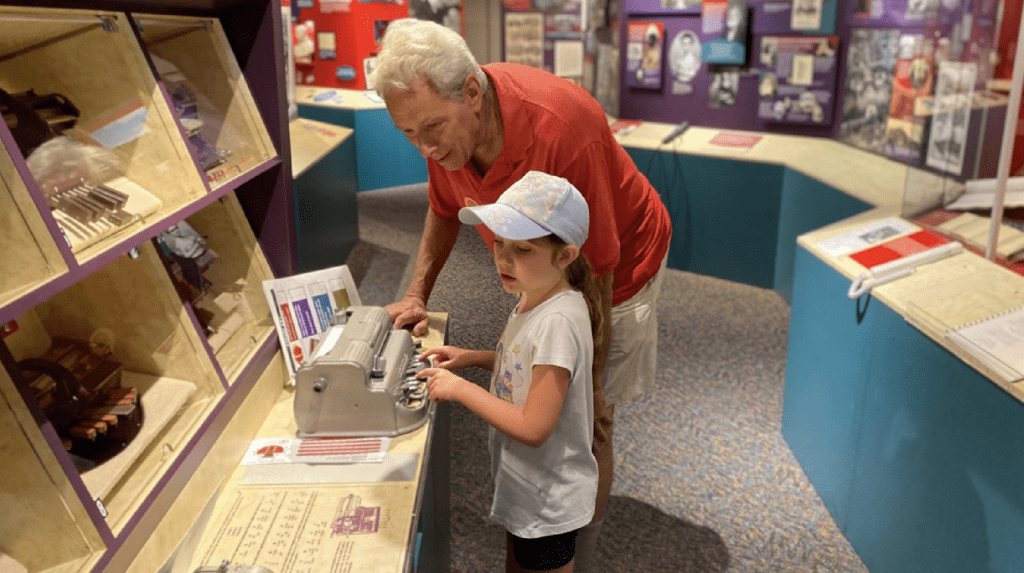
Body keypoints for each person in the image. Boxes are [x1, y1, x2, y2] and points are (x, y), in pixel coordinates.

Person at [371, 19, 672, 570]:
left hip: (620, 260)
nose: (425, 148)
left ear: (471, 92)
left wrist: (588, 386)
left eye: (432, 127)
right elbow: (443, 208)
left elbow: (597, 264)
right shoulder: (446, 141)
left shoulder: (563, 126)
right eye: (408, 134)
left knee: (590, 420)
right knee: (550, 386)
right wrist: (417, 293)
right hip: (547, 268)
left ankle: (580, 551)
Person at [418, 171, 599, 573]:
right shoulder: (533, 294)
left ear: (565, 256)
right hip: (527, 484)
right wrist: (474, 357)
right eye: (498, 242)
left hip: (549, 496)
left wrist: (461, 389)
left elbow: (535, 427)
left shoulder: (558, 321)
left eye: (522, 249)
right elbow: (523, 361)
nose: (502, 258)